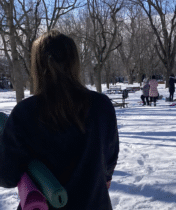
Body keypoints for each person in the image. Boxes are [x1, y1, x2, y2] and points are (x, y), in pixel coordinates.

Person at [0, 30, 119, 210]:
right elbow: (109, 158)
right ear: (75, 63)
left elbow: (6, 176)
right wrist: (105, 177)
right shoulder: (101, 106)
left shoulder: (24, 113)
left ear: (37, 66)